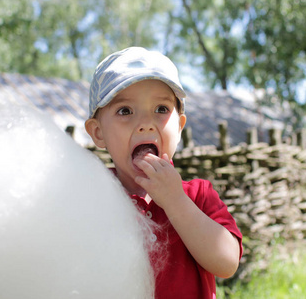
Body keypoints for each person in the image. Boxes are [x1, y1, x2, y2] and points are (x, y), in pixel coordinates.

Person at [85, 47, 242, 299]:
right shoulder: (93, 196)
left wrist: (176, 201)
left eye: (161, 109)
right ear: (98, 132)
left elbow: (227, 263)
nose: (146, 123)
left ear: (180, 127)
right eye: (125, 111)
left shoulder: (198, 195)